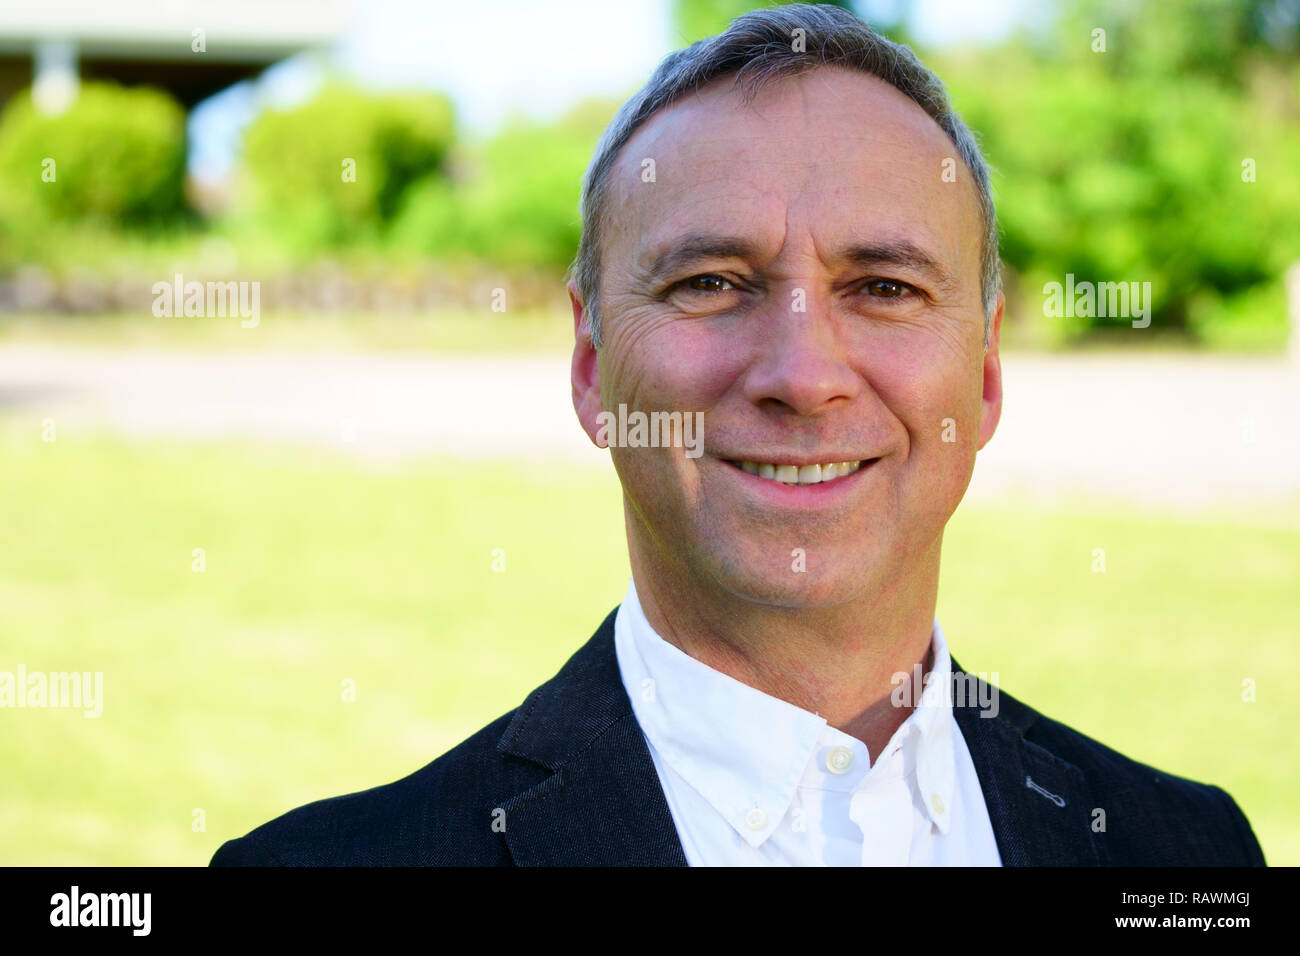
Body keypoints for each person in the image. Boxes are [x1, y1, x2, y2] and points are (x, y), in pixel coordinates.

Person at [211, 3, 1265, 866]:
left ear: (985, 370)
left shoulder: (1190, 851)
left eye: (885, 286)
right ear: (591, 366)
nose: (803, 375)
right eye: (709, 283)